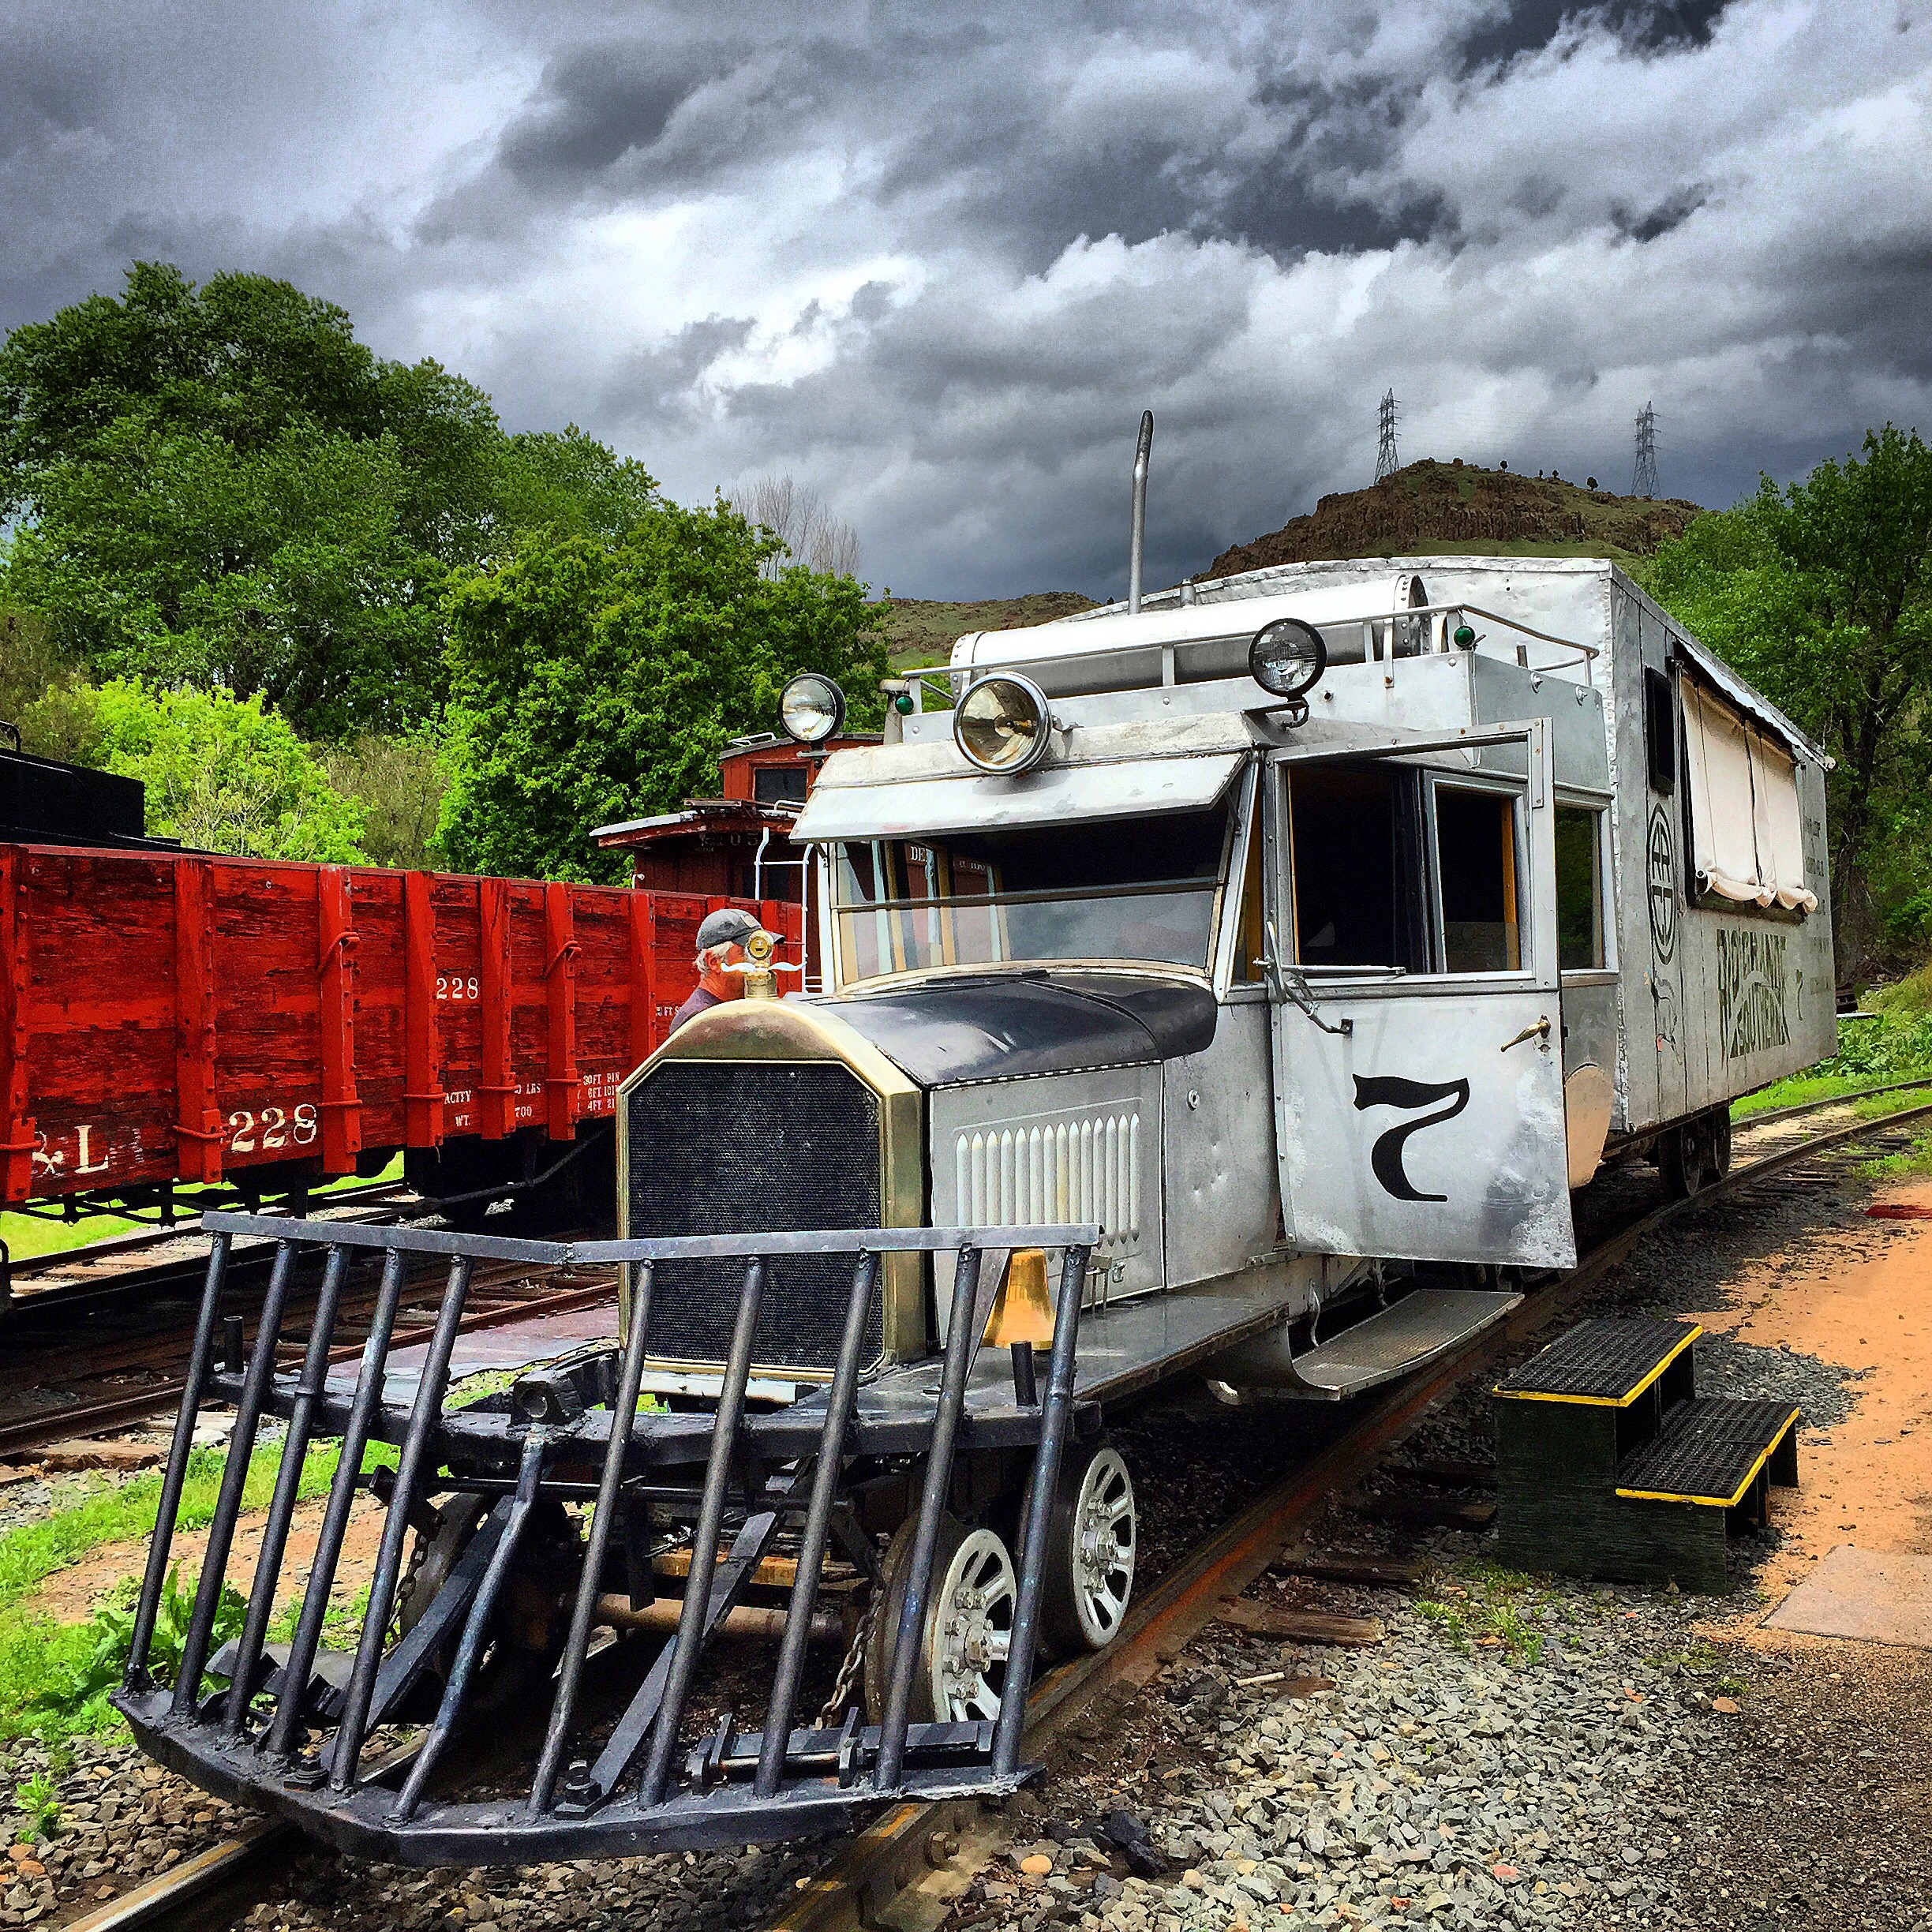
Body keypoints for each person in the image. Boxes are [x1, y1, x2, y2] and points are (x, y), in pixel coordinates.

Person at [669, 908, 767, 1033]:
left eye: (761, 953)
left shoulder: (723, 1011)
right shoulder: (700, 1020)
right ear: (714, 961)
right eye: (749, 954)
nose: (760, 965)